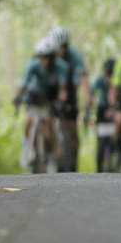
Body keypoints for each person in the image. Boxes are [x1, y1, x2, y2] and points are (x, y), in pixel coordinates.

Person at [14, 34, 68, 172]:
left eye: (49, 57)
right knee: (29, 121)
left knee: (48, 130)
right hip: (34, 97)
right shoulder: (32, 65)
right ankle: (26, 145)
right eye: (43, 57)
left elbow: (63, 90)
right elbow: (23, 85)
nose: (46, 60)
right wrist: (17, 98)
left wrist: (61, 101)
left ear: (54, 57)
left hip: (49, 99)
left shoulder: (61, 67)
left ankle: (50, 156)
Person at [48, 25, 87, 172]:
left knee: (71, 126)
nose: (62, 51)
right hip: (51, 90)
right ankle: (49, 155)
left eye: (64, 46)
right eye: (59, 47)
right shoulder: (46, 56)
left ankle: (73, 160)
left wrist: (88, 98)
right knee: (47, 122)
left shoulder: (74, 56)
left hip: (69, 92)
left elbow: (83, 78)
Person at [88, 57, 119, 173]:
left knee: (116, 136)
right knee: (101, 140)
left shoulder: (118, 80)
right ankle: (99, 167)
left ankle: (116, 158)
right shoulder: (100, 80)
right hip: (102, 109)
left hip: (116, 108)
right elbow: (91, 92)